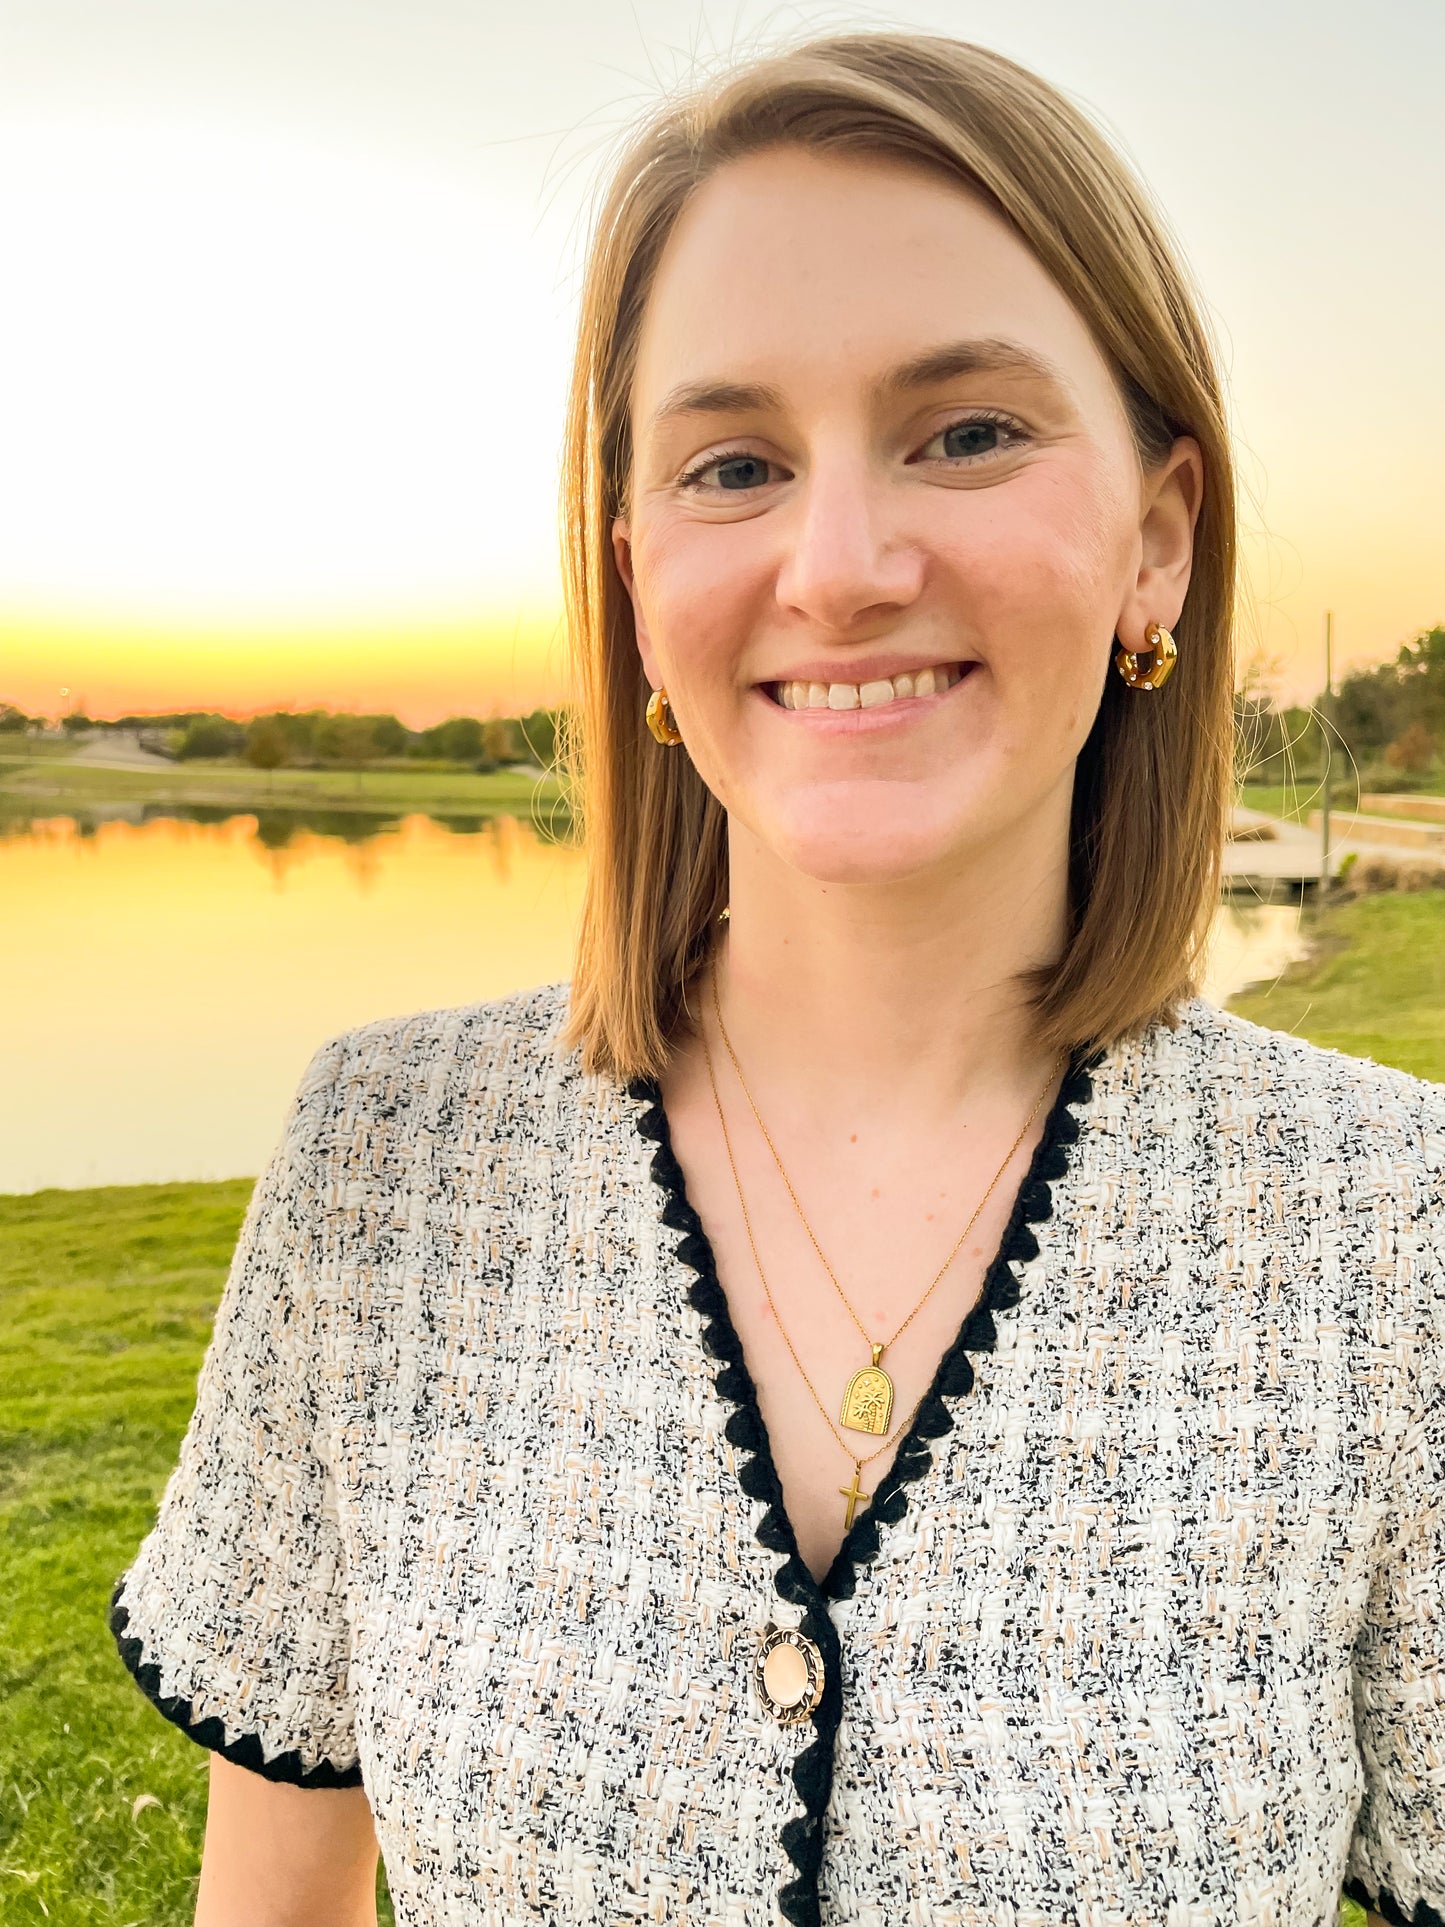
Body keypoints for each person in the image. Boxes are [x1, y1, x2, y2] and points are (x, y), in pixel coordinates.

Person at [108, 30, 1440, 1927]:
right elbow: (274, 1892)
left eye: (965, 430)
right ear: (640, 568)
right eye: (735, 464)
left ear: (1155, 539)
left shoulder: (1396, 1234)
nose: (837, 564)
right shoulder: (387, 1168)